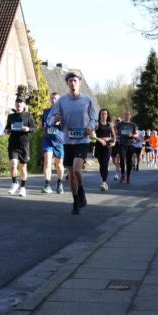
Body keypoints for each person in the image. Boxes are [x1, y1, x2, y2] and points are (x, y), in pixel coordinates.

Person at [51, 73, 98, 214]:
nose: (72, 83)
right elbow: (52, 118)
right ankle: (76, 201)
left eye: (75, 80)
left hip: (82, 140)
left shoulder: (86, 100)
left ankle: (82, 191)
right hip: (68, 140)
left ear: (79, 83)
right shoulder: (62, 101)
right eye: (70, 81)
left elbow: (94, 117)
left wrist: (90, 126)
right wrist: (56, 119)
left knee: (77, 169)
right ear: (67, 83)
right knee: (71, 175)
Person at [5, 97, 35, 197]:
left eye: (20, 102)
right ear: (15, 104)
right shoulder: (11, 116)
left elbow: (34, 129)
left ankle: (23, 187)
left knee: (23, 167)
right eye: (17, 102)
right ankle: (14, 183)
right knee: (13, 164)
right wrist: (6, 131)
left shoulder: (28, 115)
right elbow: (7, 128)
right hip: (13, 144)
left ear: (23, 104)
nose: (18, 104)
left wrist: (27, 129)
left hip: (24, 145)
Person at [40, 92, 65, 194]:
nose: (54, 100)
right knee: (47, 162)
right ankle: (47, 185)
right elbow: (43, 125)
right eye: (52, 98)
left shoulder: (63, 112)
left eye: (56, 99)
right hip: (48, 141)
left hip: (59, 142)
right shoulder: (46, 112)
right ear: (50, 100)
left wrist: (61, 123)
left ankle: (59, 183)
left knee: (59, 165)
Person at [93, 108, 116, 192]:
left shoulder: (110, 124)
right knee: (101, 164)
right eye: (102, 114)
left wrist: (114, 143)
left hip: (108, 145)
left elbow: (114, 136)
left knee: (105, 163)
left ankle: (104, 182)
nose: (104, 115)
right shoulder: (96, 124)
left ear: (107, 115)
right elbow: (91, 135)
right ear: (100, 115)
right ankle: (103, 178)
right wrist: (99, 139)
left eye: (105, 114)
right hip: (99, 145)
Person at [116, 112, 140, 184]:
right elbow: (116, 132)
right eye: (125, 115)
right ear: (124, 116)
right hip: (122, 144)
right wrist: (116, 137)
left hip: (130, 144)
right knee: (122, 159)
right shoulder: (120, 124)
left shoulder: (133, 125)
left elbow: (137, 135)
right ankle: (123, 174)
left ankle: (128, 176)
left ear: (130, 116)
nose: (127, 116)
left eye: (128, 115)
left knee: (129, 161)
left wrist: (132, 135)